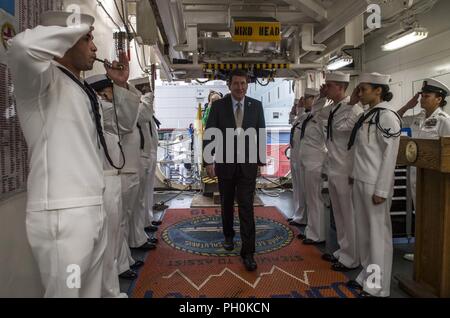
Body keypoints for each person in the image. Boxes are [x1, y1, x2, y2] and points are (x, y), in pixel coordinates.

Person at [6, 11, 130, 297]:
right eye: (87, 39)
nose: (95, 47)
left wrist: (120, 85)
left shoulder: (81, 88)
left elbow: (122, 126)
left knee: (90, 292)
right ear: (64, 41)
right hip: (65, 213)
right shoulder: (40, 82)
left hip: (91, 208)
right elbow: (21, 47)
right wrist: (78, 24)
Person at [203, 69, 266, 271]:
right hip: (225, 163)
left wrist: (260, 162)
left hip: (247, 165)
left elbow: (261, 133)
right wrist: (208, 161)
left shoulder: (256, 106)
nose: (240, 87)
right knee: (227, 203)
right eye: (236, 83)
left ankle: (248, 252)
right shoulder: (219, 106)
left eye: (243, 83)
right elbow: (210, 132)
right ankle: (228, 236)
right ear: (229, 85)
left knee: (247, 206)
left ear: (247, 85)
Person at [85, 73, 141, 297]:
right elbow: (127, 118)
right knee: (108, 240)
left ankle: (118, 272)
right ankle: (110, 287)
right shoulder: (98, 107)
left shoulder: (105, 110)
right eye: (109, 93)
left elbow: (127, 121)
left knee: (117, 230)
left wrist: (122, 87)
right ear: (99, 93)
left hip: (113, 175)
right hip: (102, 179)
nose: (112, 98)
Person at [347, 72, 402, 298]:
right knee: (366, 235)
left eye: (364, 89)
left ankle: (378, 287)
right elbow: (360, 149)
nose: (360, 93)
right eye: (359, 89)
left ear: (378, 90)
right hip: (361, 179)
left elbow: (390, 156)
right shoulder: (368, 114)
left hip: (374, 184)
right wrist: (353, 173)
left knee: (378, 236)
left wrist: (382, 189)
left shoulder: (387, 116)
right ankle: (368, 278)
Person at [397, 78, 450, 262]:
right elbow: (395, 119)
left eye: (426, 96)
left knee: (436, 216)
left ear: (439, 99)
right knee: (420, 215)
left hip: (435, 179)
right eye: (422, 96)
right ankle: (422, 251)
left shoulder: (444, 121)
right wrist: (407, 105)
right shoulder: (418, 118)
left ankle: (438, 255)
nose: (422, 99)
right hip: (416, 175)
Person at [318, 72, 363, 272]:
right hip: (335, 167)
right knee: (338, 213)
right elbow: (319, 116)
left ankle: (352, 257)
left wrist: (350, 105)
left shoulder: (355, 109)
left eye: (329, 85)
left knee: (348, 214)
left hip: (346, 169)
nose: (326, 88)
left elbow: (343, 129)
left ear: (341, 87)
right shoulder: (336, 107)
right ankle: (344, 250)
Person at [294, 88, 328, 244]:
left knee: (315, 199)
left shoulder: (322, 118)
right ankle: (311, 230)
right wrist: (300, 107)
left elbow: (329, 143)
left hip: (315, 163)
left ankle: (317, 235)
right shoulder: (309, 116)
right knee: (309, 198)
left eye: (309, 98)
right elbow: (298, 119)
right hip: (305, 162)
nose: (306, 100)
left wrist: (326, 167)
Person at [288, 98, 307, 226]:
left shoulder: (308, 118)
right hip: (295, 156)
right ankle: (297, 214)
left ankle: (302, 217)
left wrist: (299, 110)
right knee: (296, 188)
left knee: (302, 189)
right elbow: (291, 121)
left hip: (303, 158)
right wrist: (293, 109)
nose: (298, 105)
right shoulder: (300, 118)